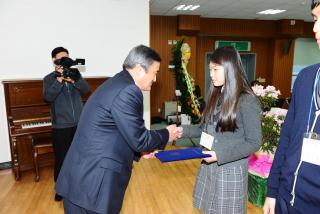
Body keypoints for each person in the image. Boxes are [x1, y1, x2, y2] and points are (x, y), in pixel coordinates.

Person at [55, 45, 183, 214]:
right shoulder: (129, 91)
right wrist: (167, 133)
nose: (155, 79)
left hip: (81, 181)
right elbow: (139, 139)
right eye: (155, 72)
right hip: (93, 186)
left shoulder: (116, 82)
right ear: (139, 69)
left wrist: (141, 152)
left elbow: (115, 131)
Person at [183, 46, 262, 214]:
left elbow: (254, 142)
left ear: (230, 69)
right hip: (210, 166)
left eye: (215, 69)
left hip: (230, 172)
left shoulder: (247, 101)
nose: (211, 74)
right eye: (210, 69)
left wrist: (220, 155)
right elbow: (204, 128)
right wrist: (178, 131)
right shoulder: (217, 95)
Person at [264, 1, 320, 213]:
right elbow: (286, 138)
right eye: (315, 19)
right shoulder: (306, 78)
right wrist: (272, 190)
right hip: (286, 199)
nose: (315, 28)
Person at [43, 47, 89, 201]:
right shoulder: (49, 78)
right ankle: (60, 189)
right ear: (54, 60)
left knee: (80, 157)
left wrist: (74, 80)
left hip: (79, 124)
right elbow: (48, 97)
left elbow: (86, 89)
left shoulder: (75, 74)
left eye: (67, 57)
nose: (65, 60)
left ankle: (80, 185)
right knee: (62, 158)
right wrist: (59, 80)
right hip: (61, 126)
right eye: (62, 58)